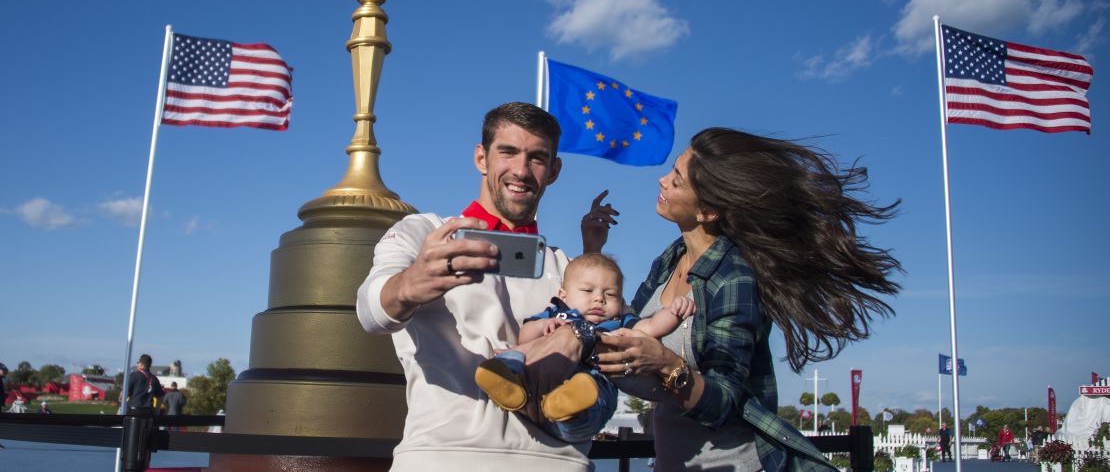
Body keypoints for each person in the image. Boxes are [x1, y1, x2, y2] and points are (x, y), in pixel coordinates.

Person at [592, 128, 902, 472]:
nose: (663, 181)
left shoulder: (735, 275)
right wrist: (594, 250)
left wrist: (665, 364)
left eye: (677, 180)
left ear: (707, 210)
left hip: (733, 463)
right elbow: (627, 327)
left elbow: (725, 400)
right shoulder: (670, 259)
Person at [356, 102, 595, 471]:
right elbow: (370, 312)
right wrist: (410, 285)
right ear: (481, 158)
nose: (520, 170)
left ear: (553, 171)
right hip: (441, 459)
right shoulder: (423, 233)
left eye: (536, 157)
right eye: (508, 152)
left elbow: (619, 345)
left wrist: (580, 334)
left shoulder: (568, 268)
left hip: (558, 462)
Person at [475, 252, 695, 442]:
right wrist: (544, 325)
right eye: (588, 291)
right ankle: (507, 382)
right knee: (514, 354)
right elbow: (525, 336)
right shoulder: (557, 313)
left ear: (621, 301)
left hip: (590, 380)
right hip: (537, 375)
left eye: (610, 294)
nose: (599, 299)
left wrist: (673, 312)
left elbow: (652, 326)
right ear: (563, 295)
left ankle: (569, 410)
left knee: (595, 392)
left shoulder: (619, 323)